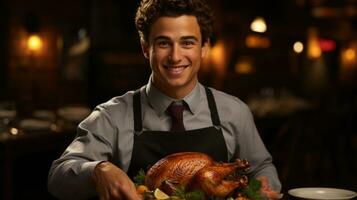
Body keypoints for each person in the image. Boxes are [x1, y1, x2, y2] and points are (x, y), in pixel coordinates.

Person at [48, 0, 282, 199]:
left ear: (203, 48)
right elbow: (58, 177)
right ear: (145, 48)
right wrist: (98, 170)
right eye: (163, 43)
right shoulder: (113, 116)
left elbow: (261, 167)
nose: (175, 56)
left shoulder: (234, 111)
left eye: (187, 42)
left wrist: (263, 186)